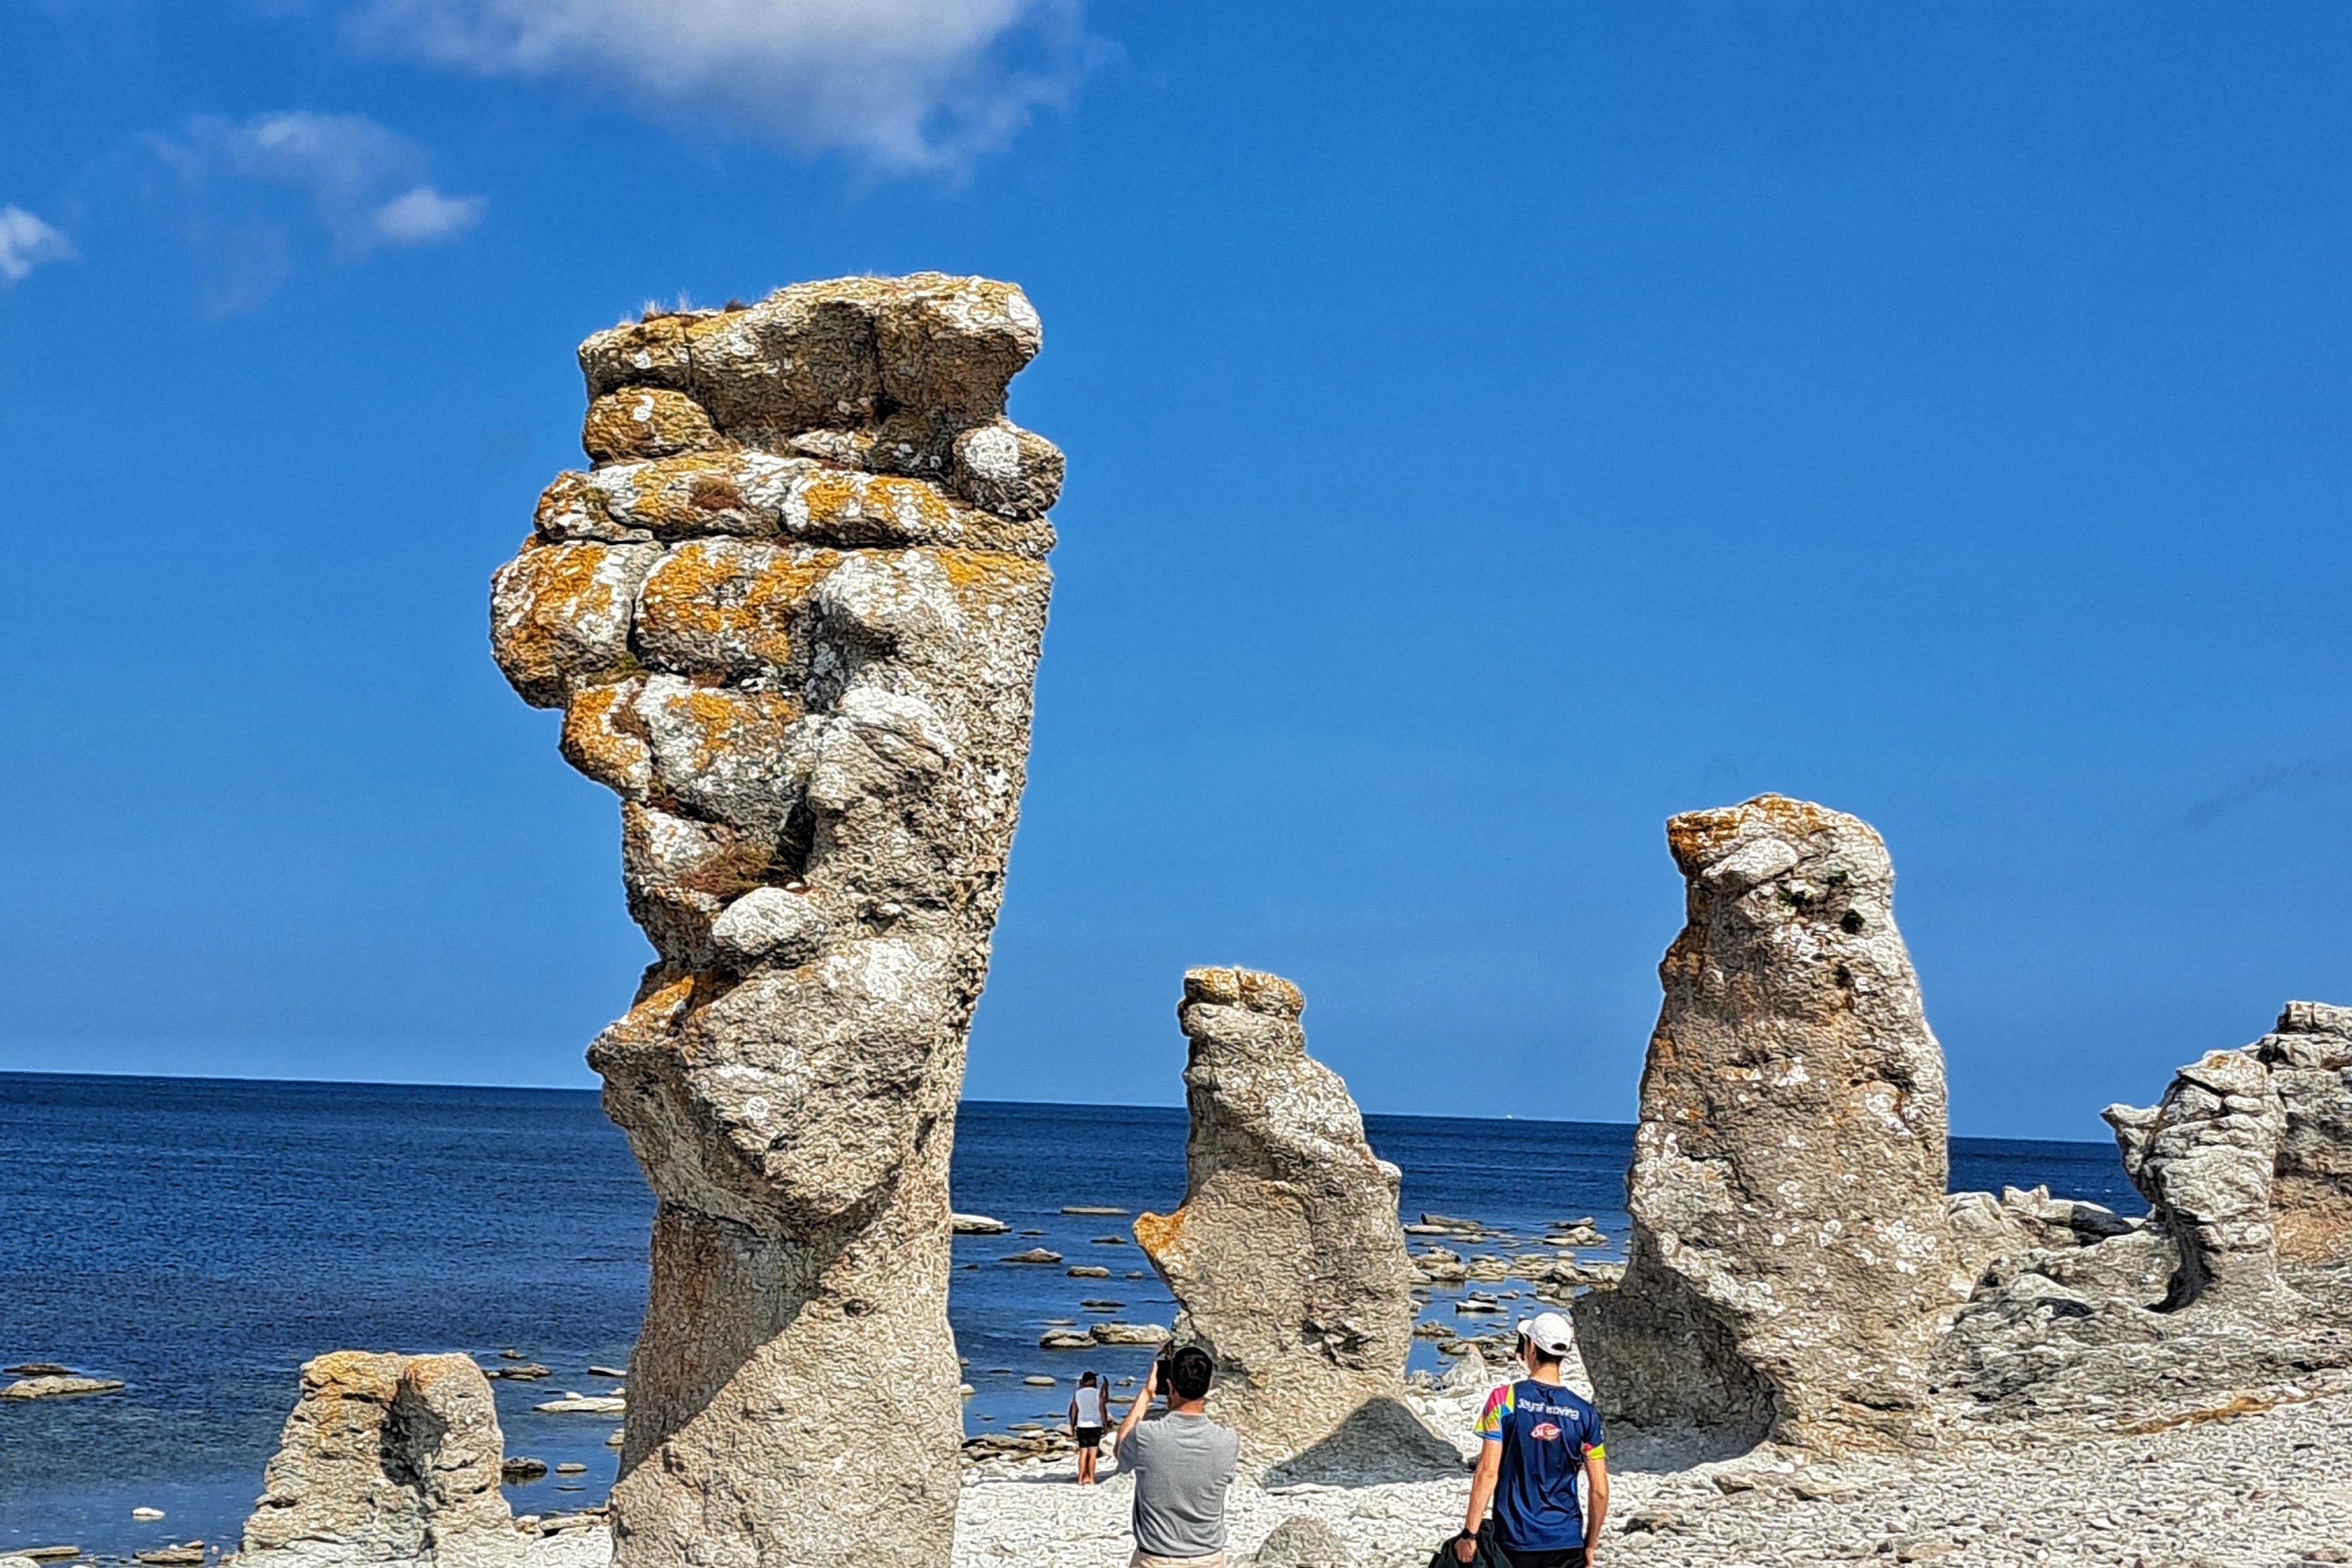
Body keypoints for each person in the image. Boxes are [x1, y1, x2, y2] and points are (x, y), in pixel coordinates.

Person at [1457, 1312, 1609, 1568]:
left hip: (1515, 1541)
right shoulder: (1585, 1413)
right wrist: (1590, 1544)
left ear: (1531, 1347)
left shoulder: (1503, 1400)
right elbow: (1600, 1490)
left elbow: (1487, 1472)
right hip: (1566, 1541)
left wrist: (1469, 1535)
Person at [1113, 1343, 1238, 1568]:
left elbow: (1120, 1447)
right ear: (1209, 1384)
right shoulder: (1227, 1440)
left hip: (1156, 1558)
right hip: (1208, 1558)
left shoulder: (1147, 1435)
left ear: (1169, 1385)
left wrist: (1147, 1394)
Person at [1070, 1369, 1110, 1484]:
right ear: (1092, 1380)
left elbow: (1074, 1410)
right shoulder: (1098, 1392)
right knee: (1092, 1453)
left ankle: (1080, 1478)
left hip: (1082, 1425)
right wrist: (1105, 1424)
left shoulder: (1077, 1393)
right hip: (1095, 1425)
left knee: (1083, 1452)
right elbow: (1102, 1407)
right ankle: (1091, 1479)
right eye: (1095, 1378)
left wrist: (1072, 1425)